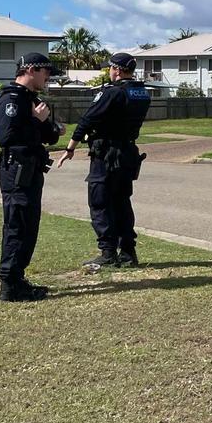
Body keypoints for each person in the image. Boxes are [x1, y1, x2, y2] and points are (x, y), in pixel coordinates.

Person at [58, 53, 151, 268]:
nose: (109, 72)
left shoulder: (112, 92)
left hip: (107, 154)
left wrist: (70, 147)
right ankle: (128, 251)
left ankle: (108, 252)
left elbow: (88, 119)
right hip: (128, 152)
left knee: (99, 201)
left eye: (110, 68)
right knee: (121, 202)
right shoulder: (141, 92)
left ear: (117, 70)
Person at [0, 52, 65, 302]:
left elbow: (49, 136)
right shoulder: (11, 98)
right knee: (17, 223)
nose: (48, 78)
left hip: (31, 169)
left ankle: (17, 278)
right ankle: (10, 284)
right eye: (46, 72)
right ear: (31, 70)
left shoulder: (30, 99)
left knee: (28, 224)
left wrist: (49, 126)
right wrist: (36, 121)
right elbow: (7, 136)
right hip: (17, 170)